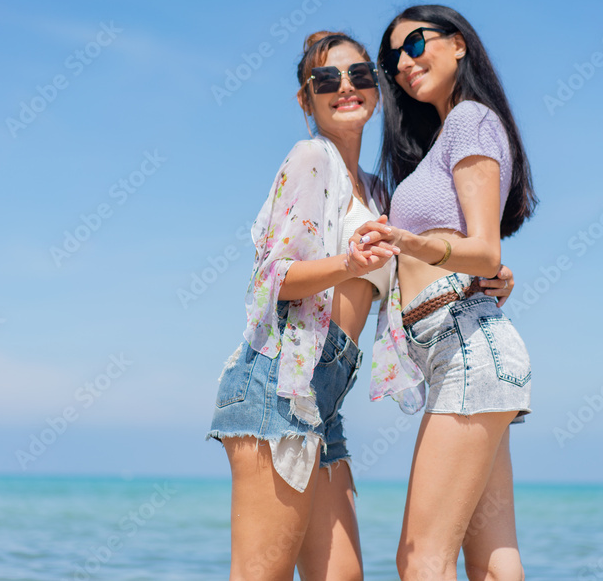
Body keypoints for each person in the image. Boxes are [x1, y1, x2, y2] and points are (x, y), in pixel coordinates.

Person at [207, 29, 518, 580]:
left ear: (375, 91)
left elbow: (417, 272)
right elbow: (270, 280)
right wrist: (347, 265)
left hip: (323, 402)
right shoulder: (311, 160)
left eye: (359, 76)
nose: (345, 87)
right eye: (327, 79)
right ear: (306, 100)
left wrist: (486, 277)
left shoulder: (379, 194)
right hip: (276, 383)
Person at [365, 5, 539, 581]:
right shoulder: (445, 135)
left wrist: (408, 243)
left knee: (420, 559)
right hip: (463, 345)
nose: (404, 63)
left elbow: (486, 250)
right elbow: (479, 256)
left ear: (458, 43)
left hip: (465, 344)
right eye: (393, 59)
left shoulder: (469, 120)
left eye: (416, 44)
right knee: (490, 560)